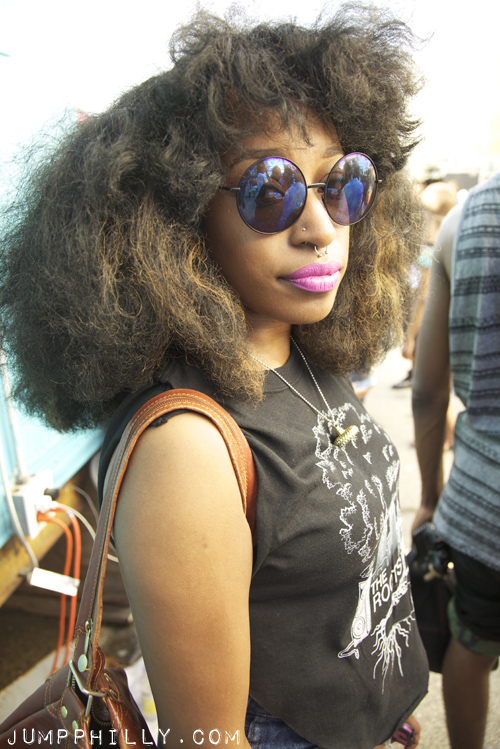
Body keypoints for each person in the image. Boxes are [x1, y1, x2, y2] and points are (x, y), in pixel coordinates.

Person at [0, 6, 429, 748]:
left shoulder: (304, 352)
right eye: (272, 190)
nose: (321, 226)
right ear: (178, 215)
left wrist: (379, 702)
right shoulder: (187, 447)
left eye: (344, 183)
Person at [412, 174, 500, 749]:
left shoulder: (464, 221)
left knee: (472, 638)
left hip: (481, 503)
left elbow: (428, 390)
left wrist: (430, 495)